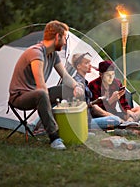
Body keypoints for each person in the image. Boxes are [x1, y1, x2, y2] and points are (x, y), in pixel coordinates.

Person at [8, 20, 84, 150]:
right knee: (42, 93)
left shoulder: (53, 54)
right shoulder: (36, 53)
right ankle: (54, 137)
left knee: (68, 89)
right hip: (20, 97)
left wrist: (76, 87)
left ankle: (71, 128)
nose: (65, 42)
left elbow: (65, 76)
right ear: (57, 37)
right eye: (64, 38)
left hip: (37, 94)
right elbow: (40, 84)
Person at [71, 53, 122, 130]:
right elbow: (79, 106)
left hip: (88, 117)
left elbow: (87, 104)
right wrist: (95, 103)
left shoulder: (83, 81)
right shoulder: (78, 83)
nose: (90, 65)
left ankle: (114, 125)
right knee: (115, 120)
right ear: (78, 66)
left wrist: (96, 101)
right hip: (83, 121)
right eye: (86, 63)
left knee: (114, 118)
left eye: (90, 63)